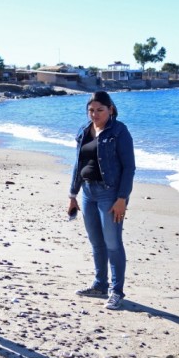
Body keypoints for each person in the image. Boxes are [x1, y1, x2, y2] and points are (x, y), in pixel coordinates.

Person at [67, 91, 136, 310]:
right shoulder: (84, 130)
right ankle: (99, 285)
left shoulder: (119, 131)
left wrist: (122, 198)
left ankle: (117, 292)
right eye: (91, 110)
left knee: (113, 243)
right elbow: (78, 165)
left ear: (110, 110)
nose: (94, 115)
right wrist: (72, 195)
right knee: (96, 242)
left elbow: (129, 168)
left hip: (110, 195)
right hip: (88, 193)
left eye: (100, 110)